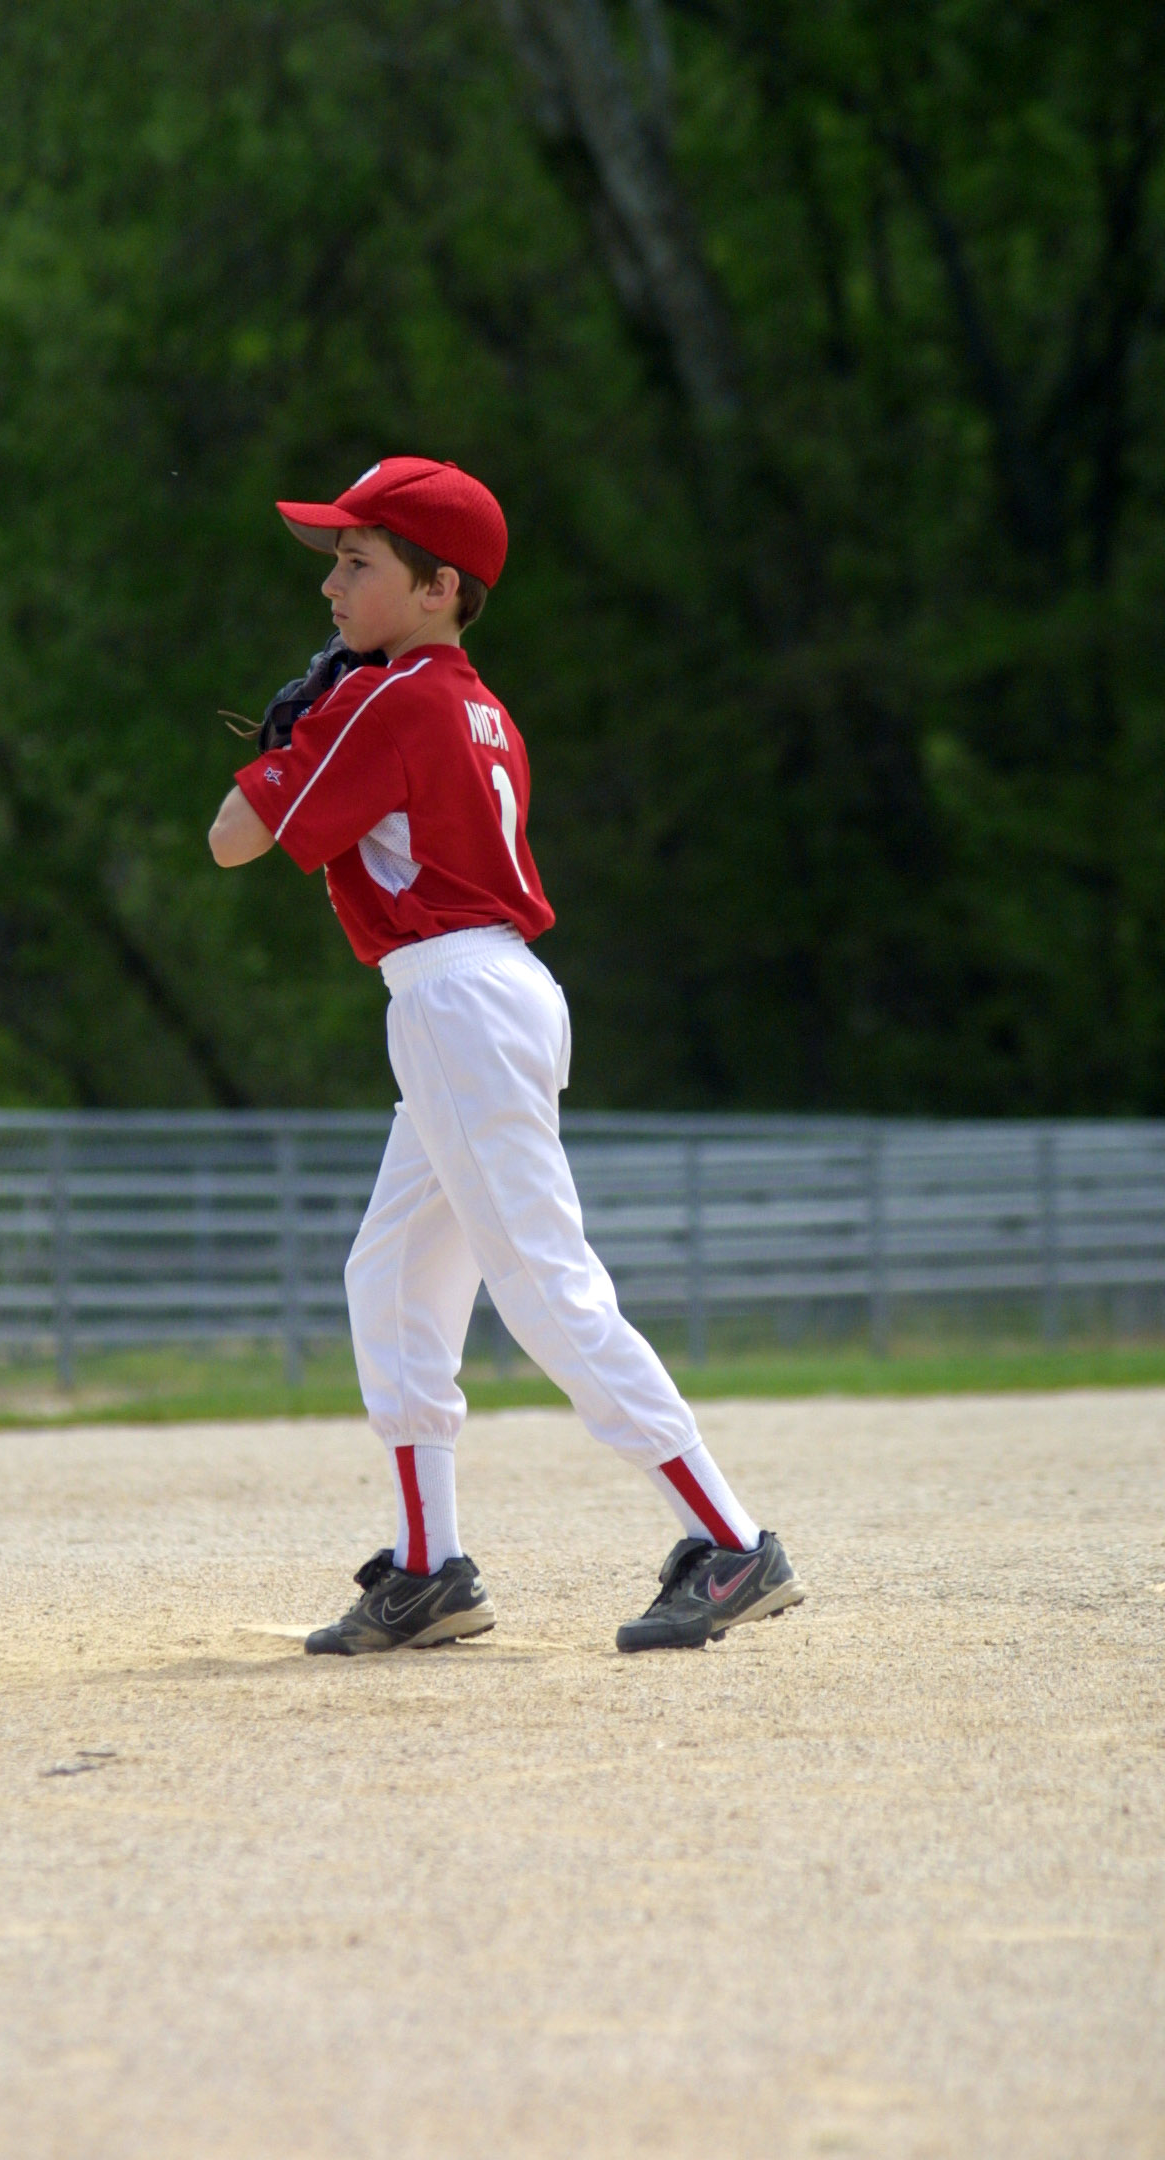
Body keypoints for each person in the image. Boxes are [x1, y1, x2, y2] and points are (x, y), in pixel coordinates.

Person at [209, 456, 804, 1655]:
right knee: (390, 1278)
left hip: (458, 1002)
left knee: (542, 1283)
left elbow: (231, 840)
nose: (330, 584)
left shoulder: (389, 697)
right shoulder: (477, 704)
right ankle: (429, 1571)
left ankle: (733, 1542)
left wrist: (308, 724)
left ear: (439, 589)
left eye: (358, 561)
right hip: (484, 991)